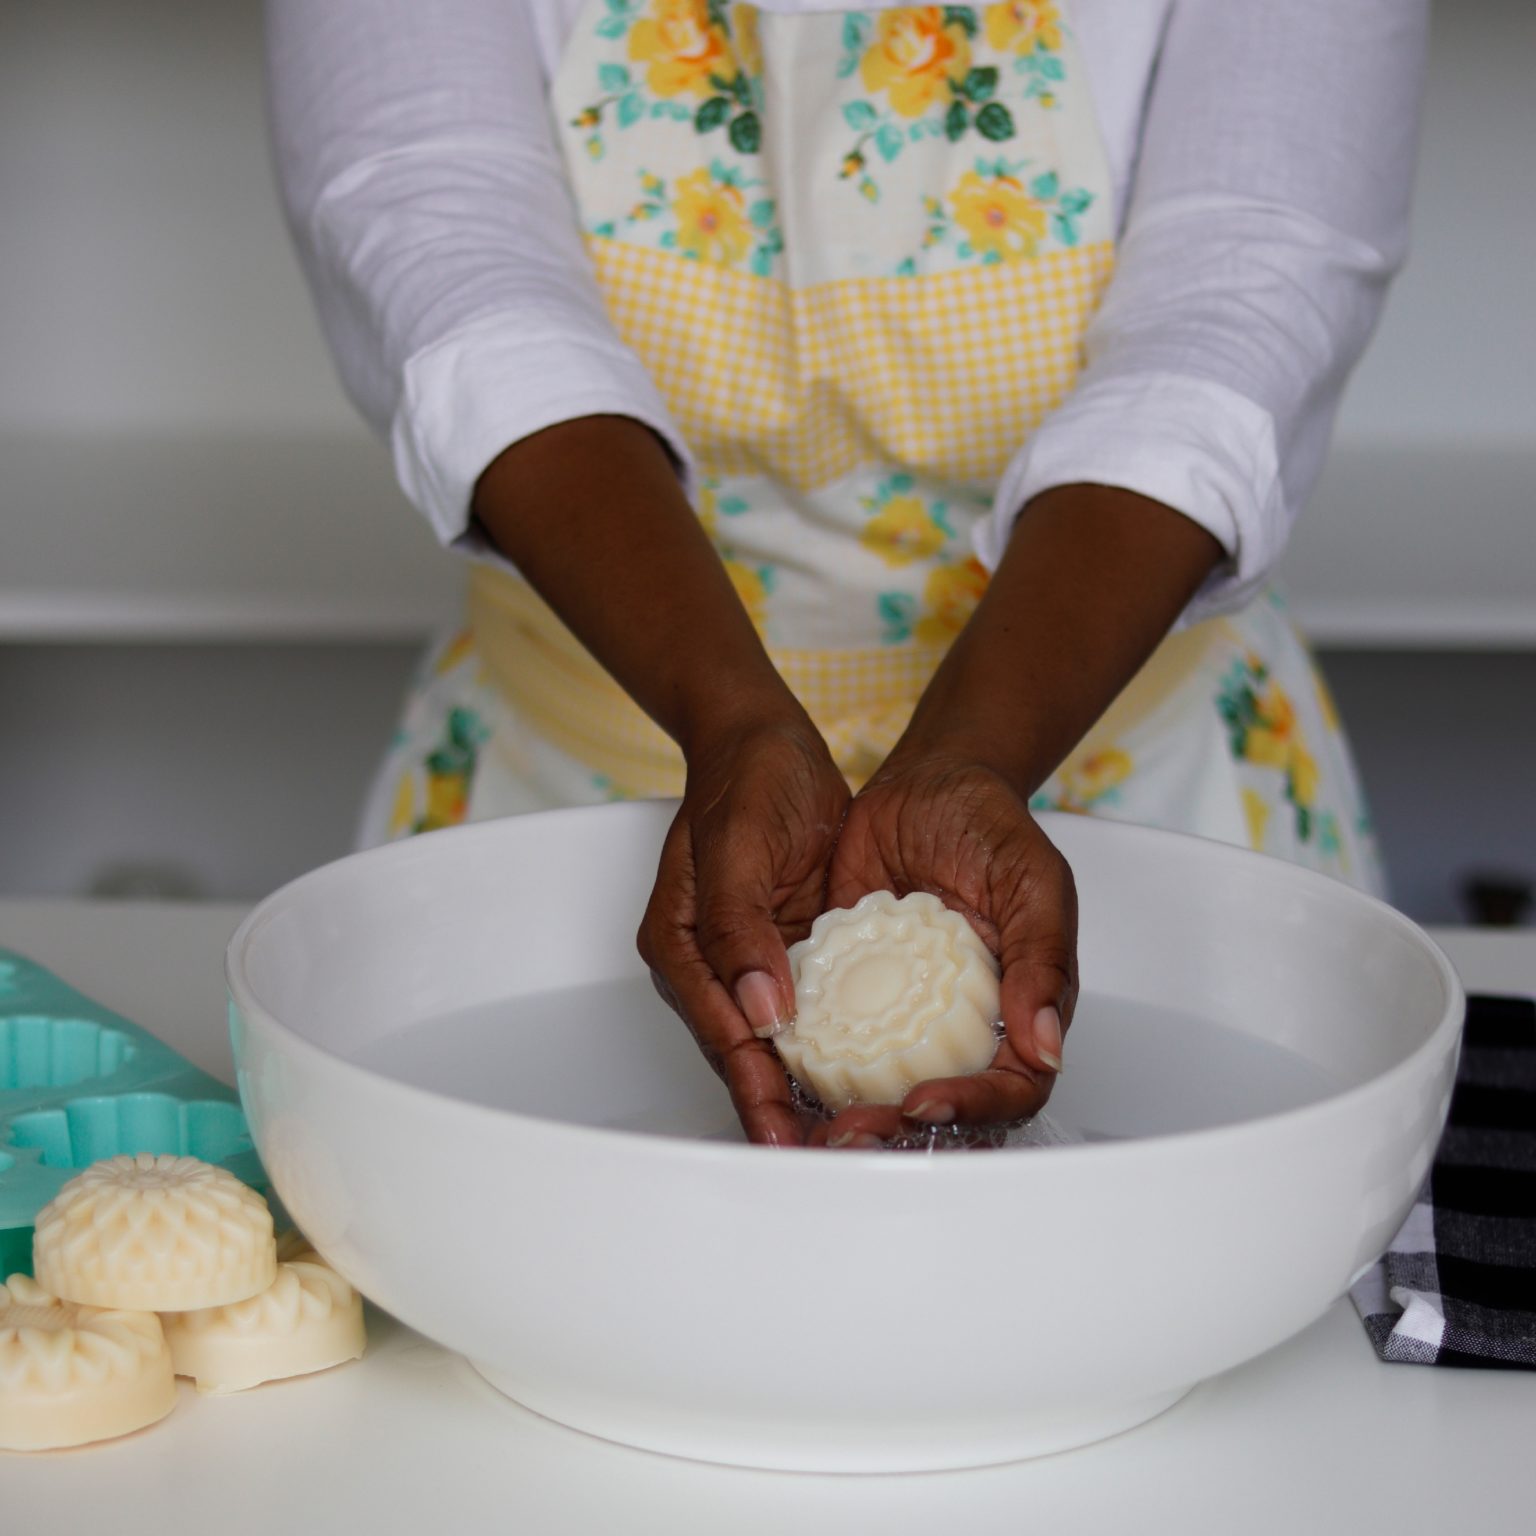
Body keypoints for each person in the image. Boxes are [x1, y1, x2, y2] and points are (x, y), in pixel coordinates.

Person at [267, 0, 1426, 1146]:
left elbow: (1237, 311)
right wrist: (729, 720)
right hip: (569, 791)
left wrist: (970, 752)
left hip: (1144, 783)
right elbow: (447, 254)